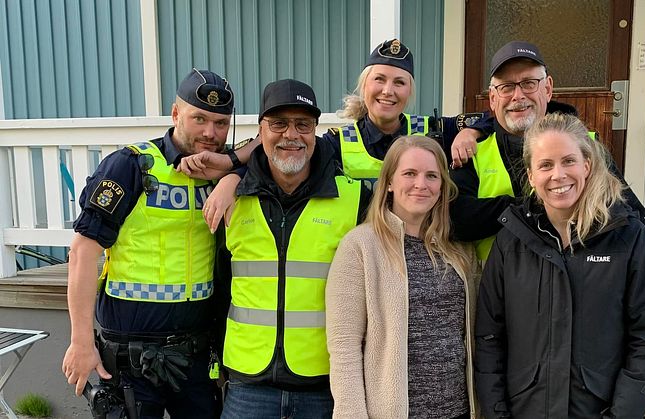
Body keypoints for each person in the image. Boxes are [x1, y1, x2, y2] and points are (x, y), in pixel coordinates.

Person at [450, 40, 645, 345]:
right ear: (492, 97)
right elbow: (458, 220)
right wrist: (538, 202)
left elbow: (633, 222)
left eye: (529, 83)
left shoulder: (587, 147)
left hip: (580, 312)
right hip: (501, 313)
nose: (518, 96)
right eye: (507, 87)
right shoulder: (471, 151)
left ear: (548, 88)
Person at [62, 68, 234, 418]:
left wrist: (232, 173)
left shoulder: (225, 169)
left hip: (196, 356)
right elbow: (82, 253)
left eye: (221, 123)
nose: (210, 133)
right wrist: (80, 340)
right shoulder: (130, 165)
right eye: (198, 119)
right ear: (175, 115)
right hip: (129, 361)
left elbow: (267, 147)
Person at [475, 113, 645, 418]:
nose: (558, 175)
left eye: (568, 161)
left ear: (587, 165)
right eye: (546, 165)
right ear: (530, 176)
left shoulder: (626, 237)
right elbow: (489, 338)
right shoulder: (510, 241)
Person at [177, 39, 485, 230]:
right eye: (379, 79)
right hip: (362, 250)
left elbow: (487, 116)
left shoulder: (431, 131)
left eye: (400, 82)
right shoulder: (337, 141)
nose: (388, 91)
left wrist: (470, 131)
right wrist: (233, 176)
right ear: (364, 86)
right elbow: (283, 152)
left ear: (410, 90)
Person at [218, 79, 370, 419]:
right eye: (278, 124)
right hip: (248, 386)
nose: (291, 134)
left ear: (315, 131)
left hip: (324, 385)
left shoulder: (355, 199)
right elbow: (216, 285)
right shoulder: (231, 199)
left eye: (303, 124)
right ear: (260, 130)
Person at [326, 136, 479, 418]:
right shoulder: (360, 246)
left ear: (442, 186)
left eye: (432, 176)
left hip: (458, 411)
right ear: (390, 183)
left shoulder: (458, 249)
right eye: (409, 173)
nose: (421, 184)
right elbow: (344, 347)